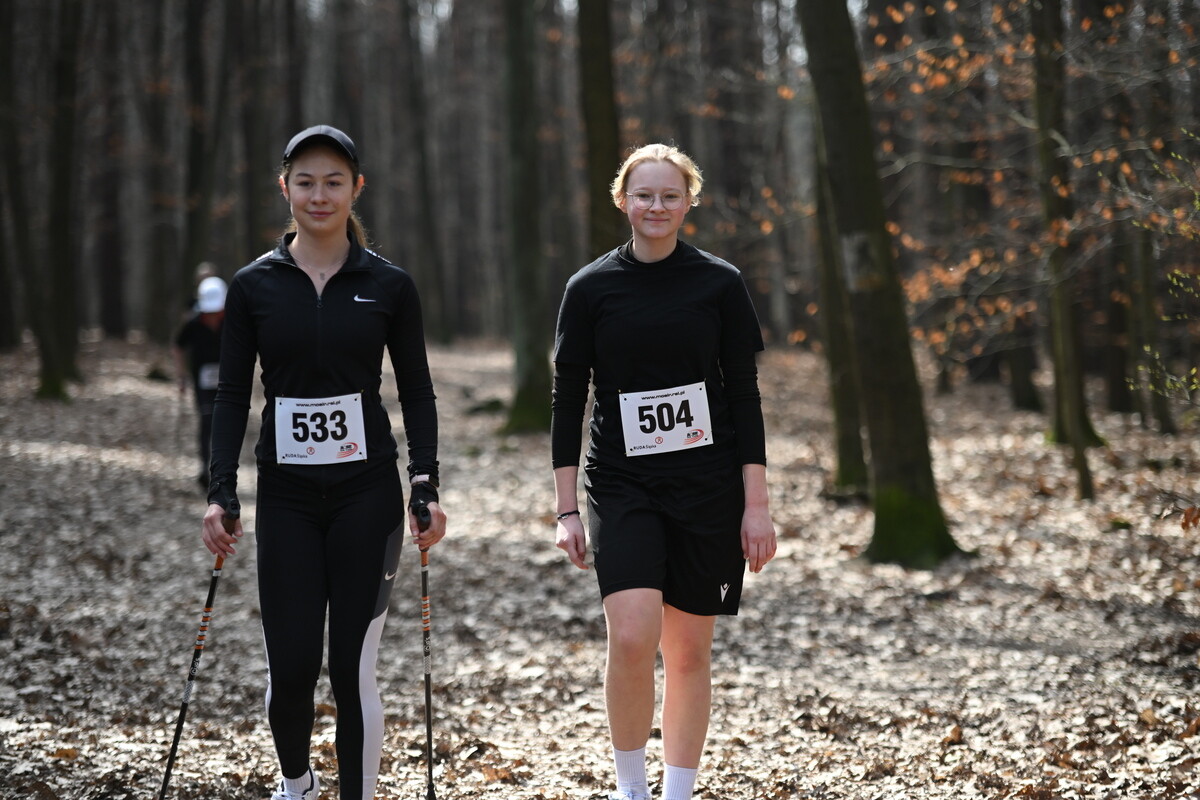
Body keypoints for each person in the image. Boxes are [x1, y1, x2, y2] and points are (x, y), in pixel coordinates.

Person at [200, 125, 447, 800]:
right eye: (305, 182)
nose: (319, 195)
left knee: (351, 670)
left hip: (367, 494)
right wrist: (221, 491)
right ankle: (298, 785)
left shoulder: (388, 284)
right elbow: (231, 395)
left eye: (333, 182)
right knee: (291, 669)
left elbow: (418, 389)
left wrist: (424, 481)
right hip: (287, 498)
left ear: (355, 188)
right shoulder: (254, 286)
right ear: (285, 189)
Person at [551, 143, 777, 800]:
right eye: (644, 195)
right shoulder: (589, 288)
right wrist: (566, 509)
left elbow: (744, 396)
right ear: (623, 200)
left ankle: (678, 791)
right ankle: (632, 790)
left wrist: (756, 504)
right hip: (622, 483)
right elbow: (567, 400)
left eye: (670, 195)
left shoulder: (719, 284)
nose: (656, 206)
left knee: (687, 653)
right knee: (630, 636)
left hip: (707, 486)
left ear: (688, 203)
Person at [173, 274, 226, 485]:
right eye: (208, 312)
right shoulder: (193, 324)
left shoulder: (232, 321)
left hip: (227, 381)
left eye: (216, 312)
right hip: (202, 381)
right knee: (206, 420)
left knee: (223, 423)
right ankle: (205, 467)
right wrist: (181, 375)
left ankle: (222, 470)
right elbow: (178, 346)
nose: (212, 316)